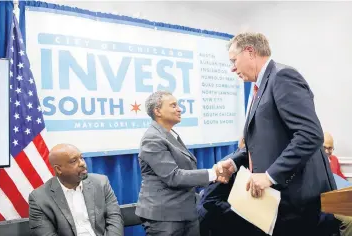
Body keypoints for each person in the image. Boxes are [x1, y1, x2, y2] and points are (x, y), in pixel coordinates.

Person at [218, 32, 336, 236]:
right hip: (278, 204)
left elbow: (309, 134)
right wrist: (235, 162)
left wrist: (271, 176)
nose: (232, 68)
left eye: (234, 60)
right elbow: (262, 143)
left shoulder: (282, 77)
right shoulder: (258, 88)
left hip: (299, 203)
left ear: (250, 52)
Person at [135, 91, 233, 236]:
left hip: (185, 214)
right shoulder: (152, 139)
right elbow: (174, 177)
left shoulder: (170, 135)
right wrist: (214, 173)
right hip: (165, 218)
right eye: (173, 105)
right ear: (157, 111)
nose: (179, 109)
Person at [29, 144, 124, 236]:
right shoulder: (39, 198)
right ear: (58, 169)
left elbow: (114, 218)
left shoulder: (101, 183)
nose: (82, 163)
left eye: (81, 158)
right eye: (74, 161)